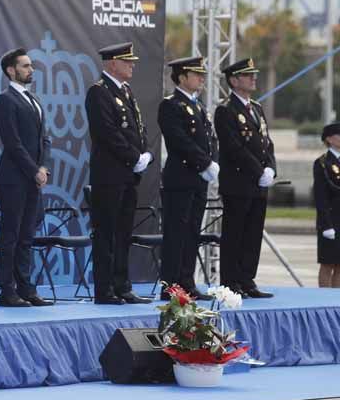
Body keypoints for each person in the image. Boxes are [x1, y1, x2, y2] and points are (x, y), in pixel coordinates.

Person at [85, 42, 153, 305]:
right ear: (112, 63)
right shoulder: (99, 92)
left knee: (124, 232)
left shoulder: (126, 92)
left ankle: (122, 285)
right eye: (127, 61)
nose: (132, 65)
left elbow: (138, 128)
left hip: (128, 175)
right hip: (109, 175)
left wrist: (145, 154)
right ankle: (105, 289)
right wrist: (133, 156)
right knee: (107, 234)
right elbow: (107, 132)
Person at [0, 48, 53, 307]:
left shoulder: (34, 99)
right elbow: (13, 143)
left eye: (31, 66)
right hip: (13, 178)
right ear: (11, 70)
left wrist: (43, 168)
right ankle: (7, 290)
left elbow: (44, 139)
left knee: (27, 235)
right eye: (25, 66)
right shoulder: (5, 100)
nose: (31, 70)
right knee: (11, 234)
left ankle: (27, 287)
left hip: (32, 177)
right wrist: (33, 170)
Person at [214, 58, 276, 298]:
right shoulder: (226, 109)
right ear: (234, 80)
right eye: (248, 75)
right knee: (235, 233)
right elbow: (234, 147)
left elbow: (267, 143)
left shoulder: (257, 108)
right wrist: (258, 171)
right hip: (239, 182)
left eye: (254, 74)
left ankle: (247, 279)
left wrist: (271, 168)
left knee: (253, 233)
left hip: (259, 183)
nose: (253, 78)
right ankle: (231, 282)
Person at [158, 56, 218, 301]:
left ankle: (187, 282)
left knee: (192, 232)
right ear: (182, 77)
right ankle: (171, 286)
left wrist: (212, 161)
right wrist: (204, 162)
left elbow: (210, 139)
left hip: (198, 179)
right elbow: (178, 140)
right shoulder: (171, 104)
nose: (201, 78)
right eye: (196, 74)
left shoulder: (199, 105)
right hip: (180, 177)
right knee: (176, 233)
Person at [313, 122, 340, 288]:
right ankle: (324, 299)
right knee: (328, 264)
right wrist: (326, 225)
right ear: (329, 139)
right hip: (330, 220)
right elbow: (320, 196)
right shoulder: (323, 163)